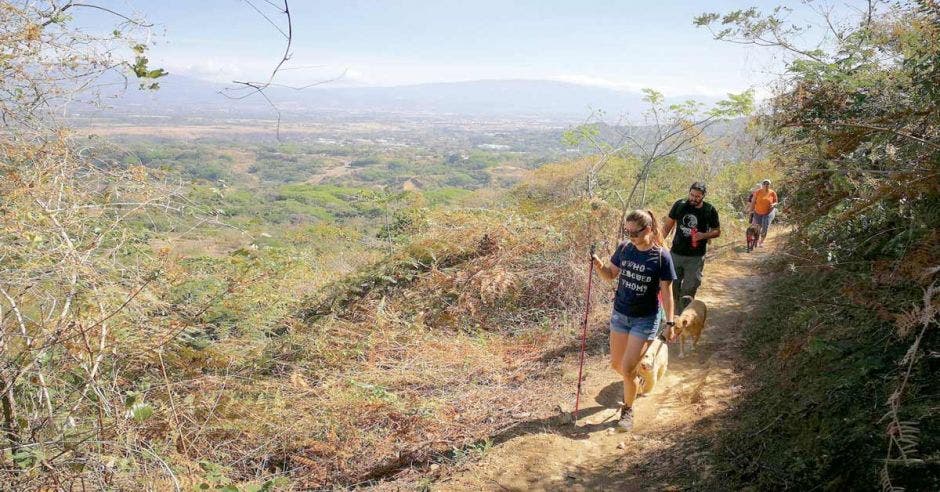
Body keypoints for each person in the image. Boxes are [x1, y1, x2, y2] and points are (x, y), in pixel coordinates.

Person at [591, 209, 677, 431]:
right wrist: (598, 265)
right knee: (617, 365)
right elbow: (610, 275)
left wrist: (670, 323)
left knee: (627, 369)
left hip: (645, 319)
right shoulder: (625, 248)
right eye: (626, 231)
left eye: (634, 233)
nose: (630, 237)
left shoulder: (661, 257)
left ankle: (627, 411)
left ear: (648, 229)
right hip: (620, 315)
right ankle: (636, 381)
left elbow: (667, 294)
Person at [662, 182, 721, 312]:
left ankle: (684, 317)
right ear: (689, 193)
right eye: (692, 195)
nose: (694, 198)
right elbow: (667, 227)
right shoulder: (680, 205)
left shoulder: (709, 210)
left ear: (703, 196)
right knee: (672, 286)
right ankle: (672, 317)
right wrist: (657, 244)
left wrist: (703, 235)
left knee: (689, 289)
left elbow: (717, 231)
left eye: (697, 196)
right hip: (676, 254)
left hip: (695, 257)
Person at [750, 179, 778, 247]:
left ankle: (761, 242)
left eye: (768, 184)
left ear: (769, 185)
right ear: (762, 185)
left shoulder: (772, 192)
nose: (766, 185)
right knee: (758, 226)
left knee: (765, 227)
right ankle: (756, 239)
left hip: (768, 212)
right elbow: (753, 201)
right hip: (758, 212)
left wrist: (773, 205)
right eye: (764, 184)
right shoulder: (757, 192)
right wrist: (751, 210)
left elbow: (776, 202)